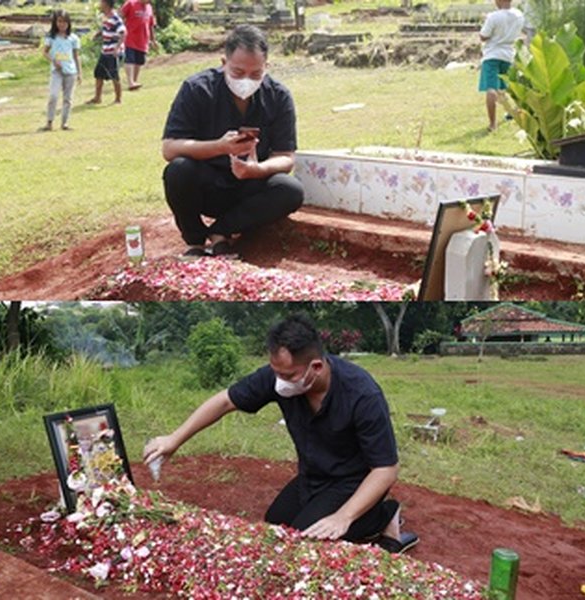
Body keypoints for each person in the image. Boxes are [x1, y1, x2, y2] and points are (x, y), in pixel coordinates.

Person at [143, 314, 419, 554]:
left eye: (287, 375)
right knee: (275, 524)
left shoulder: (362, 395)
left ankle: (383, 514)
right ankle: (348, 513)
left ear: (317, 368)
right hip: (312, 476)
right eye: (276, 373)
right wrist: (174, 439)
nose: (279, 382)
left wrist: (343, 517)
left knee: (303, 540)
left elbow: (385, 469)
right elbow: (226, 400)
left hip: (353, 481)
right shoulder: (280, 377)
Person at [160, 25, 304, 258]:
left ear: (267, 67)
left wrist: (257, 170)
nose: (246, 80)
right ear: (223, 62)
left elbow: (286, 157)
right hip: (207, 184)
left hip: (249, 188)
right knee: (178, 171)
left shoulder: (278, 96)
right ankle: (195, 240)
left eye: (255, 74)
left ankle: (221, 231)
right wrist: (219, 147)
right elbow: (170, 148)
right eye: (237, 73)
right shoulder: (196, 89)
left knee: (290, 190)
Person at [478, 0, 524, 132]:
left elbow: (483, 36)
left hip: (492, 55)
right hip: (509, 55)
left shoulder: (493, 16)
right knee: (506, 87)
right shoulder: (518, 15)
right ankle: (512, 112)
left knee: (491, 88)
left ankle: (493, 124)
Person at [40, 9, 82, 132]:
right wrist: (53, 61)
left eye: (64, 22)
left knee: (68, 99)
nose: (61, 24)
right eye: (59, 21)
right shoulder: (51, 37)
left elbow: (76, 56)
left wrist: (80, 73)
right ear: (55, 22)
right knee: (53, 95)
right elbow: (45, 52)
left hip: (71, 71)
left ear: (68, 23)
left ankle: (65, 123)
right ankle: (49, 122)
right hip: (57, 71)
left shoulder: (73, 38)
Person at [88, 0, 127, 105]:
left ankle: (118, 99)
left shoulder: (115, 18)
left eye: (101, 2)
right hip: (105, 51)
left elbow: (123, 33)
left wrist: (117, 48)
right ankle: (97, 98)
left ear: (106, 3)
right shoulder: (105, 17)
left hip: (113, 52)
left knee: (114, 75)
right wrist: (98, 34)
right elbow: (106, 29)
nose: (100, 4)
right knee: (98, 74)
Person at [121, 0, 156, 91]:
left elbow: (151, 25)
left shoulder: (149, 8)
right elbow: (120, 17)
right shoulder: (130, 3)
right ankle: (130, 82)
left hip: (143, 40)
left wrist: (153, 40)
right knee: (129, 59)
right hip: (130, 37)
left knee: (139, 61)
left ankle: (134, 81)